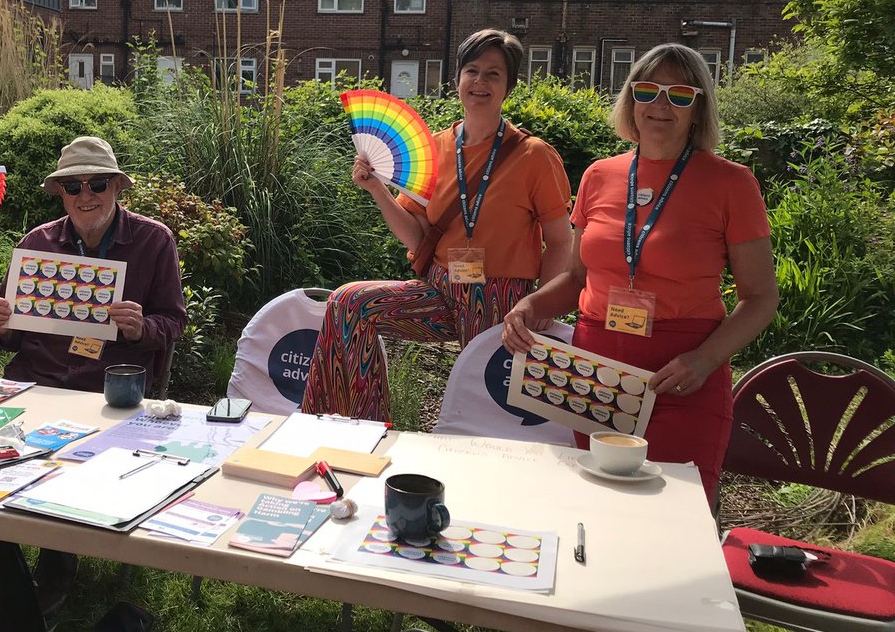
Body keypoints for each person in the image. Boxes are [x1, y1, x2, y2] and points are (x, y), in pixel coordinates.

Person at [503, 43, 779, 506]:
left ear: (699, 107)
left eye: (679, 95)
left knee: (673, 514)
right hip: (596, 373)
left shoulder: (732, 183)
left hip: (680, 375)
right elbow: (576, 279)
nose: (660, 105)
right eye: (648, 90)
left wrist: (706, 360)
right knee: (595, 507)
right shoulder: (598, 175)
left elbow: (760, 298)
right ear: (630, 99)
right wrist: (531, 306)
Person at [301, 29, 573, 422]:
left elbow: (561, 241)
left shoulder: (534, 155)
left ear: (509, 86)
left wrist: (541, 304)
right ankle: (358, 428)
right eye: (472, 71)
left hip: (500, 296)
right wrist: (377, 188)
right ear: (458, 78)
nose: (480, 82)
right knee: (349, 303)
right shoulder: (434, 148)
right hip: (441, 288)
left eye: (493, 74)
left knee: (485, 408)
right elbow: (415, 234)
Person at [0, 135, 186, 614]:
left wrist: (141, 328)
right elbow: (15, 334)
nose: (85, 194)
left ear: (116, 186)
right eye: (73, 186)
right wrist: (4, 326)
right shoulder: (37, 243)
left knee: (76, 446)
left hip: (111, 384)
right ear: (60, 193)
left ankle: (55, 559)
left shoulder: (154, 240)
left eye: (96, 183)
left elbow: (173, 321)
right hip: (37, 379)